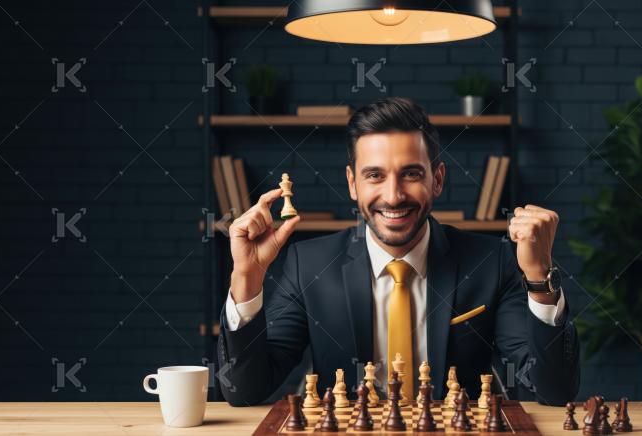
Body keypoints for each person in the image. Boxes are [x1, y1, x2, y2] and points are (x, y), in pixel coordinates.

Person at [218, 97, 579, 406]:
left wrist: (539, 276)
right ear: (352, 183)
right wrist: (246, 280)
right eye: (374, 175)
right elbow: (245, 392)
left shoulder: (491, 263)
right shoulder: (307, 265)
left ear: (437, 180)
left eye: (410, 174)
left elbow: (555, 391)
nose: (393, 196)